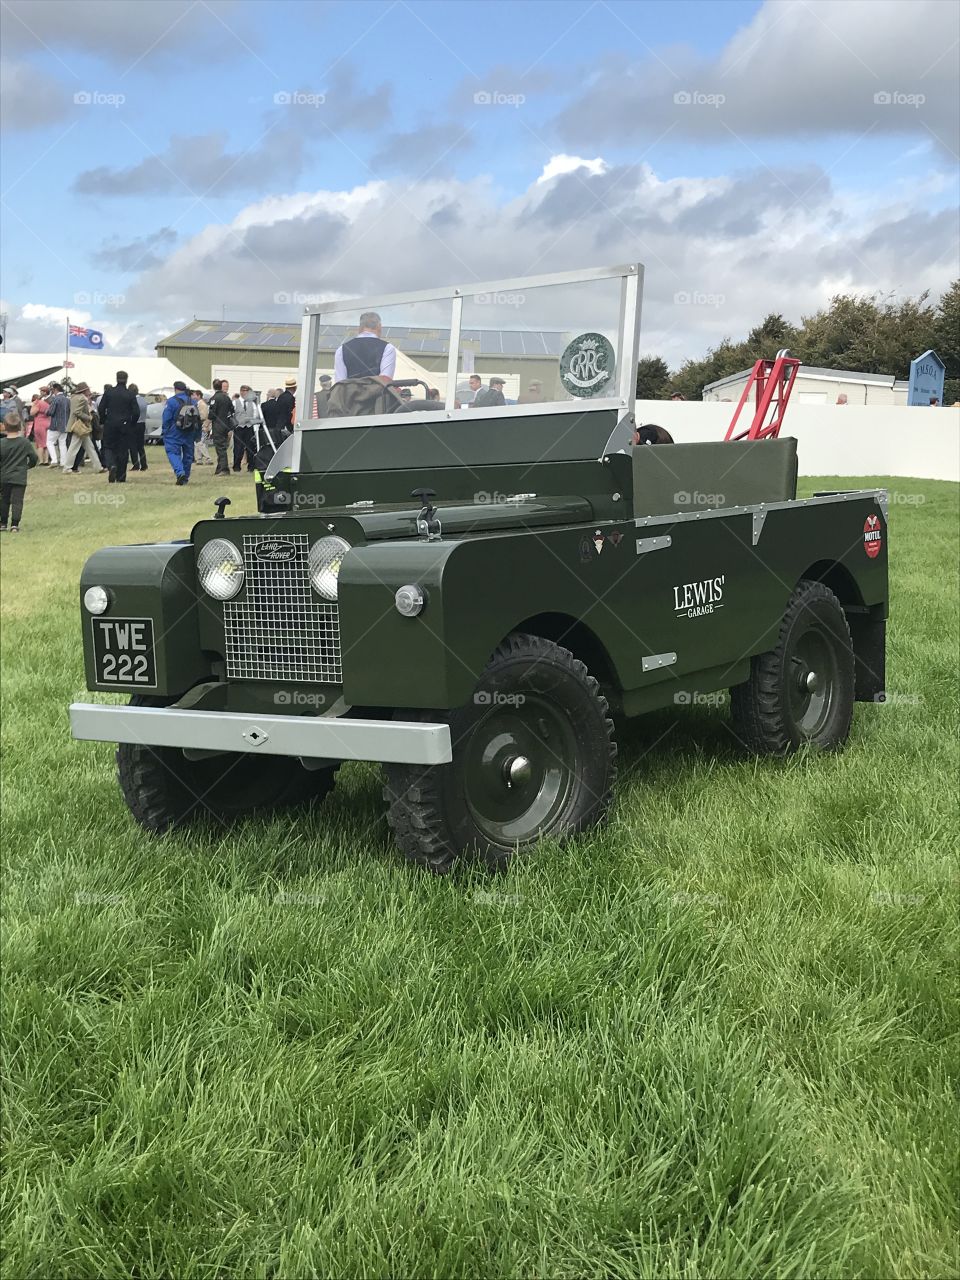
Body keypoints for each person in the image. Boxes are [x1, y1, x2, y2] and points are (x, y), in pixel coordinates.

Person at [97, 370, 138, 483]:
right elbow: (136, 412)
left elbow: (101, 408)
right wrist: (132, 423)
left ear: (116, 378)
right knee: (123, 450)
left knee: (108, 447)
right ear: (126, 379)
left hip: (110, 424)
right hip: (125, 425)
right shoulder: (130, 394)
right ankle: (121, 476)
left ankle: (111, 465)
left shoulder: (109, 392)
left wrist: (104, 420)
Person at [333, 312, 397, 384]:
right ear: (379, 326)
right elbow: (385, 381)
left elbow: (339, 384)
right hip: (376, 394)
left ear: (360, 327)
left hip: (350, 394)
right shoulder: (388, 348)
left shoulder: (341, 349)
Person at [0, 413, 38, 532]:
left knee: (4, 500)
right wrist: (27, 466)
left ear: (5, 426)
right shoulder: (25, 443)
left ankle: (3, 523)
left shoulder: (2, 443)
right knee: (17, 501)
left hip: (4, 476)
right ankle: (15, 525)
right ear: (20, 426)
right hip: (20, 477)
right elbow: (34, 458)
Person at [62, 383, 105, 474]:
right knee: (74, 447)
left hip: (76, 424)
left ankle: (98, 467)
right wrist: (89, 417)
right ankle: (67, 468)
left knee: (90, 447)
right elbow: (77, 412)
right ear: (84, 390)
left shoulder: (73, 398)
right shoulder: (82, 398)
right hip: (80, 425)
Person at [161, 380, 197, 485]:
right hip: (189, 432)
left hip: (174, 432)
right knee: (188, 455)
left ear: (175, 389)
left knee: (173, 453)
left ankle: (180, 472)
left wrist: (165, 430)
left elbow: (166, 418)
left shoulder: (171, 401)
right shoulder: (193, 401)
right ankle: (185, 476)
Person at [208, 378, 235, 475]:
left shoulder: (214, 399)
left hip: (218, 426)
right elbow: (232, 410)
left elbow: (211, 414)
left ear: (214, 387)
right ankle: (219, 468)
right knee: (222, 446)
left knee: (220, 448)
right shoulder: (227, 398)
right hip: (226, 425)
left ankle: (224, 469)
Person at [232, 385, 258, 472]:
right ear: (241, 391)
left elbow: (255, 414)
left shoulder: (252, 404)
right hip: (239, 428)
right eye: (244, 391)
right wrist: (235, 424)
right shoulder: (235, 402)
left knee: (250, 448)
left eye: (247, 391)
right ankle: (236, 467)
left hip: (249, 428)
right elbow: (232, 414)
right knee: (238, 448)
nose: (246, 393)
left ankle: (251, 467)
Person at [45, 382, 70, 467]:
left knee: (49, 442)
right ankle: (63, 462)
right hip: (65, 425)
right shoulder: (67, 399)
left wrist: (46, 412)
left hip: (55, 425)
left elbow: (50, 412)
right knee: (62, 444)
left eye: (52, 390)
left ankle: (54, 460)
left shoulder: (56, 399)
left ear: (55, 389)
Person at [128, 383, 148, 471]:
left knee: (132, 445)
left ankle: (136, 464)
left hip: (134, 423)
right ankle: (144, 464)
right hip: (142, 423)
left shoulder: (132, 401)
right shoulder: (143, 400)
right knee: (141, 446)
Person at [28, 393, 50, 463]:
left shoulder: (37, 403)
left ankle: (41, 460)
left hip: (39, 424)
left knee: (40, 443)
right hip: (47, 422)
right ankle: (46, 460)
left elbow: (32, 413)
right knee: (46, 442)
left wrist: (34, 405)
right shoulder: (46, 404)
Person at [192, 390, 212, 463]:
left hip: (203, 426)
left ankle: (208, 458)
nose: (193, 397)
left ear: (199, 396)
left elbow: (204, 416)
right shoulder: (198, 404)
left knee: (199, 443)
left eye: (194, 395)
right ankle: (199, 459)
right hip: (200, 426)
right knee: (198, 442)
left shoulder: (202, 404)